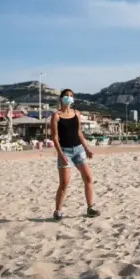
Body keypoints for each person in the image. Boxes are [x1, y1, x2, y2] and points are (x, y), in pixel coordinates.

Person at [50, 89, 100, 220]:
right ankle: (58, 211)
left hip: (79, 150)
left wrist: (86, 148)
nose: (69, 97)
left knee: (88, 178)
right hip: (65, 151)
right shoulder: (56, 116)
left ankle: (90, 208)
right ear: (61, 98)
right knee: (64, 183)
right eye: (66, 95)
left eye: (71, 96)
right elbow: (55, 138)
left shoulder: (76, 113)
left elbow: (79, 132)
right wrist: (61, 155)